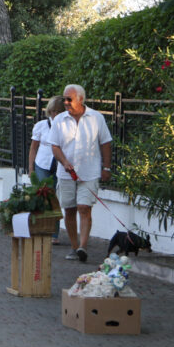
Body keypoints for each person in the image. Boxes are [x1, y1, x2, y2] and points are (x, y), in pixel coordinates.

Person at [47, 84, 112, 263]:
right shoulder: (59, 120)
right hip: (66, 173)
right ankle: (74, 247)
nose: (66, 102)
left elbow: (105, 143)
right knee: (69, 210)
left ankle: (83, 246)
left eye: (70, 99)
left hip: (89, 173)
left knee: (84, 208)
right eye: (64, 99)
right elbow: (54, 146)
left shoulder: (96, 118)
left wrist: (106, 168)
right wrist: (64, 162)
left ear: (81, 99)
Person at [28, 96, 66, 244]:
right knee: (42, 195)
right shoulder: (41, 126)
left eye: (58, 111)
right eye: (53, 111)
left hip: (59, 166)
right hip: (42, 164)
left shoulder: (67, 127)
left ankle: (53, 232)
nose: (55, 115)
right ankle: (39, 227)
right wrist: (31, 167)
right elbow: (33, 147)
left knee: (54, 198)